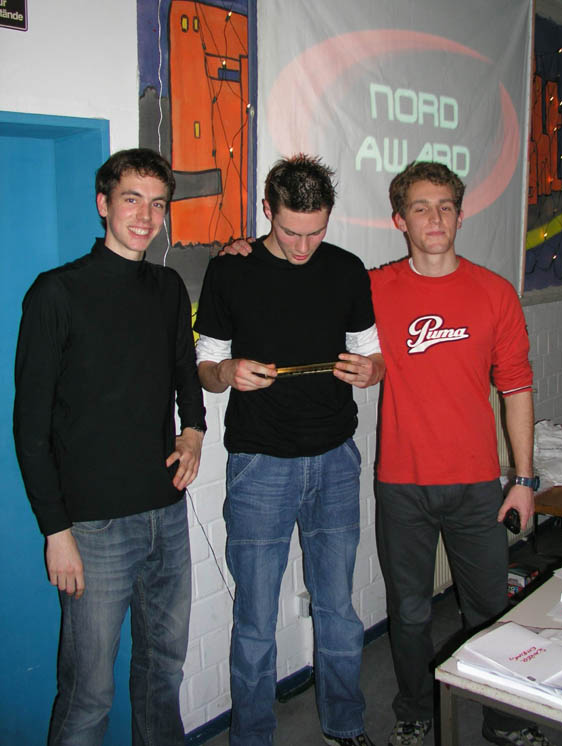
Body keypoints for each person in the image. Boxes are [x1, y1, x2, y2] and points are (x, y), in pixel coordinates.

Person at [13, 148, 206, 746]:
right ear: (103, 204)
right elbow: (29, 426)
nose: (146, 217)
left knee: (163, 674)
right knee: (88, 694)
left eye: (158, 204)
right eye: (131, 200)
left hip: (165, 515)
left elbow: (184, 368)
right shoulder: (56, 293)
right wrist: (56, 530)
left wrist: (195, 430)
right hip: (93, 530)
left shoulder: (168, 287)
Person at [194, 154, 384, 746]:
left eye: (316, 232)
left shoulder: (347, 269)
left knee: (338, 609)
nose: (303, 247)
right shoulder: (230, 270)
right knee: (255, 619)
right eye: (290, 232)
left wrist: (370, 371)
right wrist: (227, 371)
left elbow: (373, 354)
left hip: (335, 458)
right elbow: (205, 367)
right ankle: (252, 737)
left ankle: (346, 725)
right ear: (267, 211)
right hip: (260, 464)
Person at [370, 161, 551, 746]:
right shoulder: (375, 288)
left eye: (446, 206)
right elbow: (305, 275)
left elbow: (517, 388)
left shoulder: (494, 293)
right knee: (409, 612)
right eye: (421, 207)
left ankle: (506, 719)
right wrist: (248, 249)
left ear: (460, 214)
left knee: (490, 609)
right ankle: (414, 711)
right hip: (402, 484)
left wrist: (524, 478)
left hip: (477, 486)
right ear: (400, 220)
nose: (435, 218)